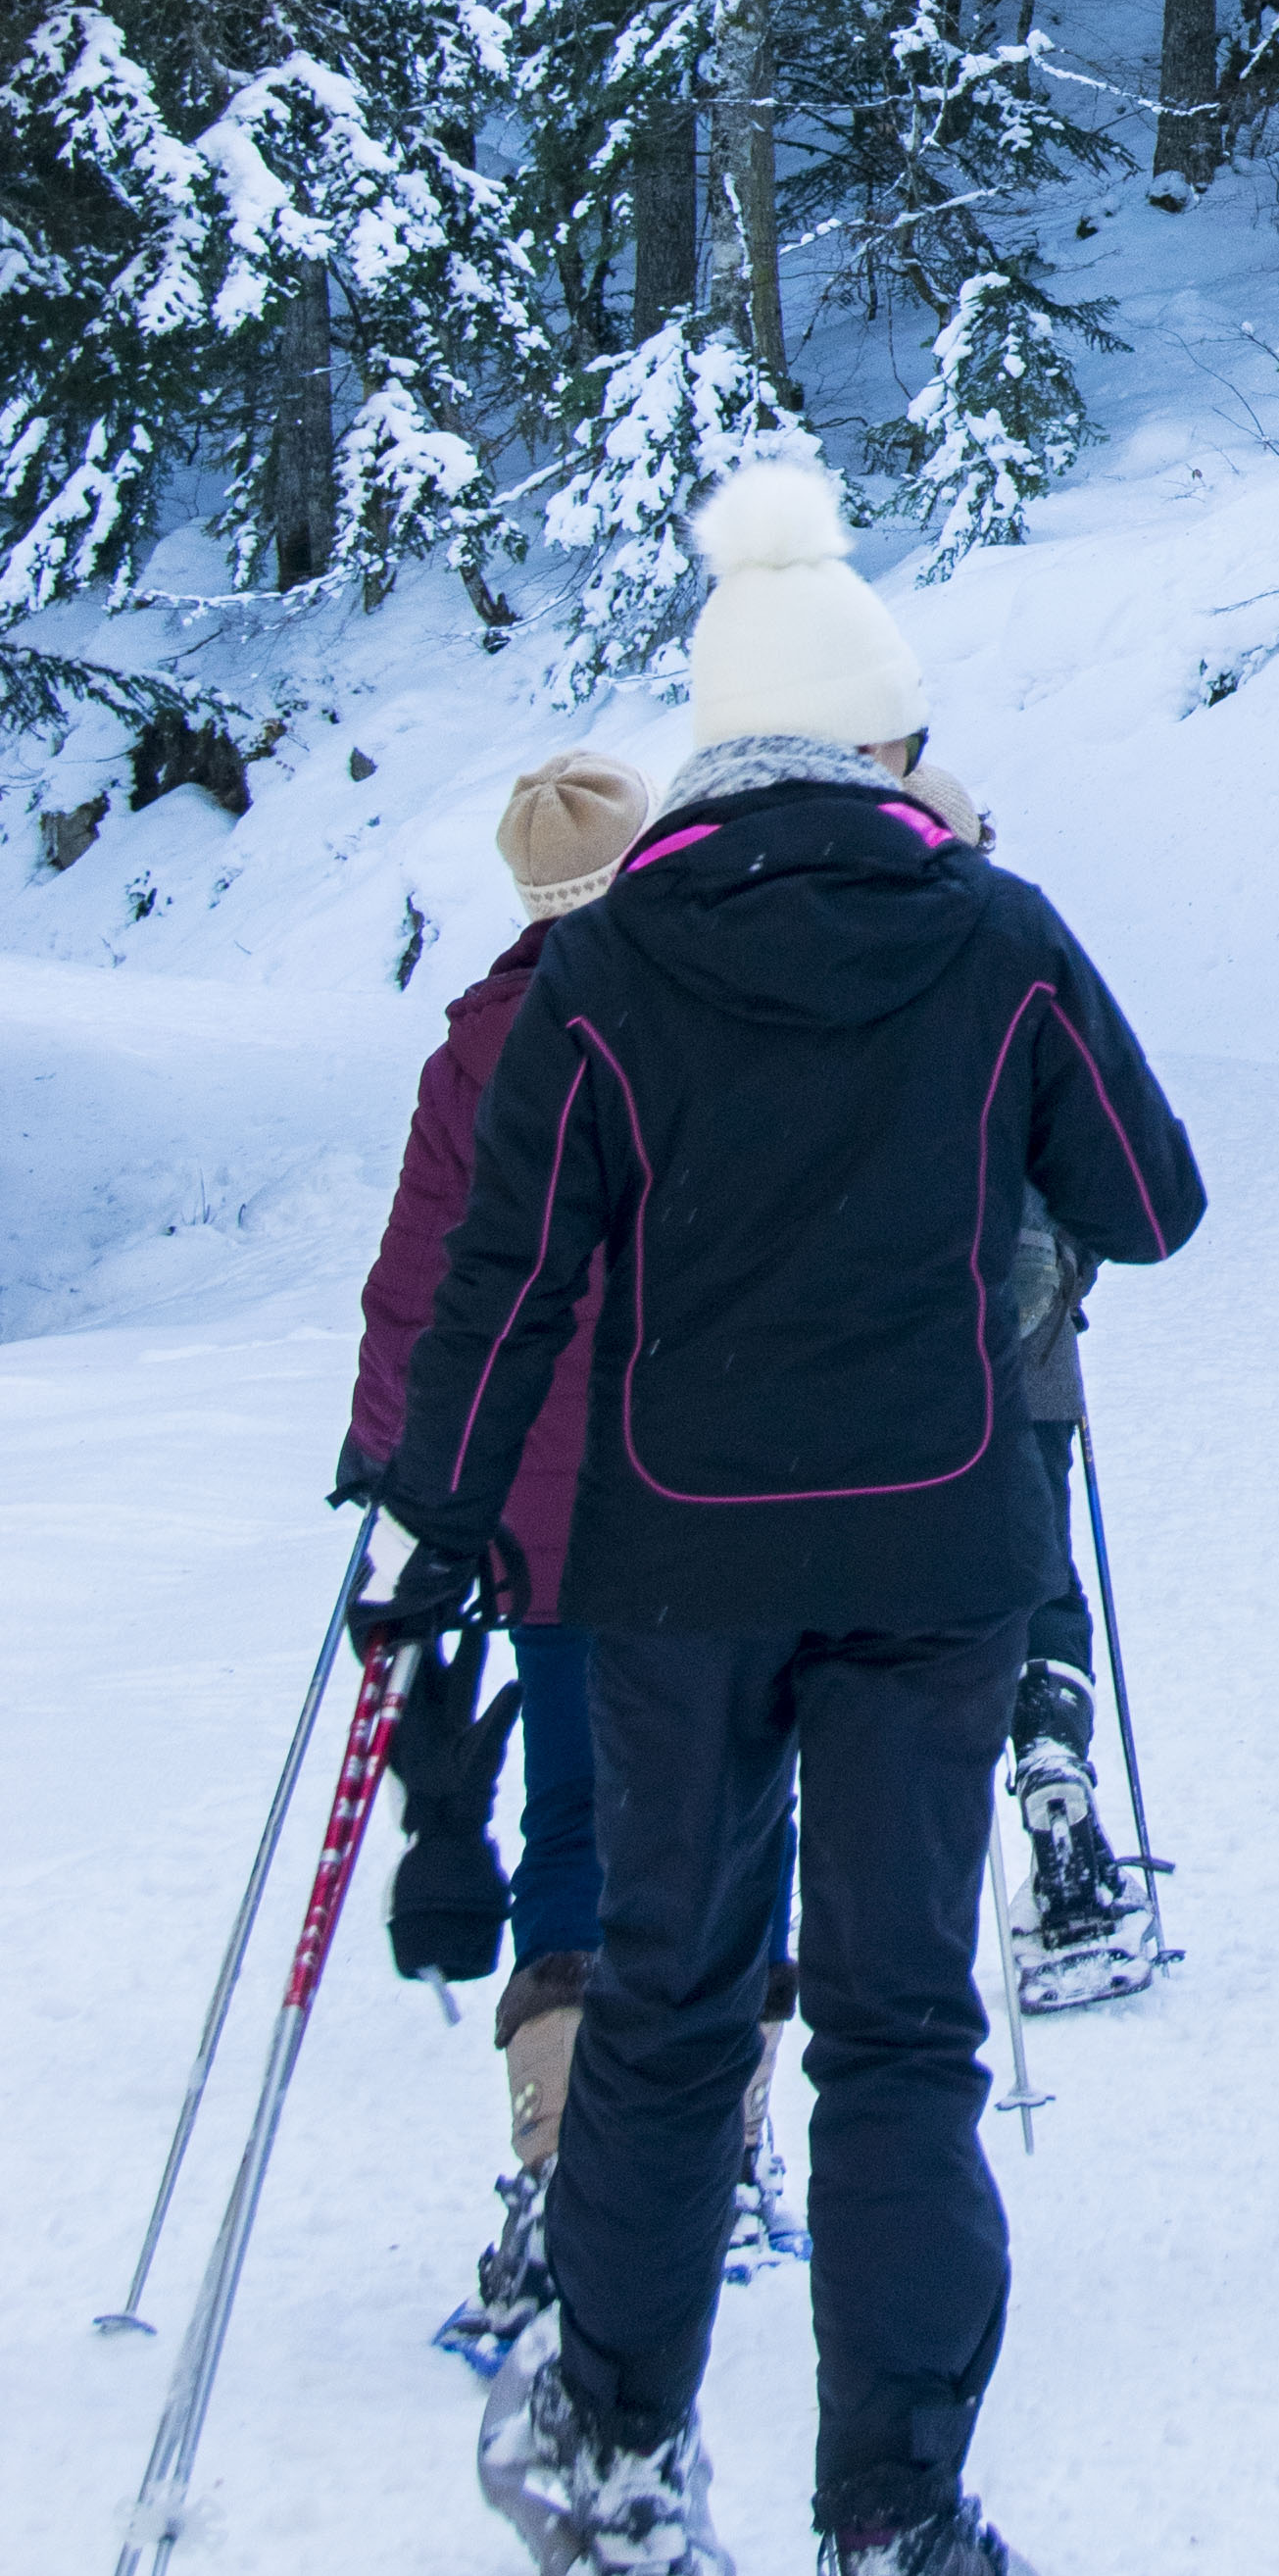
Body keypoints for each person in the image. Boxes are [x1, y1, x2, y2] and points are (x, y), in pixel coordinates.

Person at [365, 457, 1204, 2576]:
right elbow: (1149, 1197)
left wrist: (428, 1519)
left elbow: (509, 1279)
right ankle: (898, 2541)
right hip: (934, 1545)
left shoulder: (616, 958)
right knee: (903, 2030)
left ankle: (628, 2460)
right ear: (883, 734)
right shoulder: (992, 936)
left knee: (669, 1998)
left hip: (674, 1554)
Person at [338, 753, 805, 2356]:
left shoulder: (475, 1049)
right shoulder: (717, 1015)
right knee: (738, 1805)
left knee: (575, 1813)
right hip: (715, 1495)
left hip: (542, 1512)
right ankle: (728, 2145)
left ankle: (557, 2160)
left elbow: (419, 1279)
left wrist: (390, 1463)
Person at [910, 760, 1156, 2006]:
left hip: (891, 1365)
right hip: (1032, 1328)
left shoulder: (866, 970)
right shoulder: (1015, 952)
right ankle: (1056, 1767)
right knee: (1041, 1565)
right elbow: (1108, 1157)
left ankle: (930, 1837)